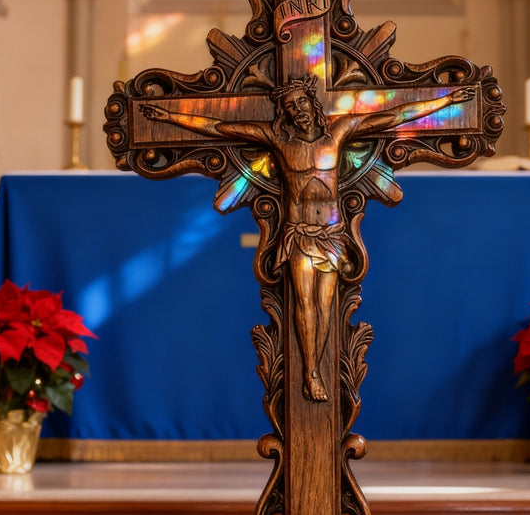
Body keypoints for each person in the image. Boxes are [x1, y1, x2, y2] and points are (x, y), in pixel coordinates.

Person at [139, 75, 474, 401]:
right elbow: (218, 127)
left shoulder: (339, 131)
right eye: (289, 106)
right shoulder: (279, 140)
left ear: (312, 104)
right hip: (298, 233)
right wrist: (170, 116)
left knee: (326, 304)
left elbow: (394, 116)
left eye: (300, 102)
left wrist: (444, 101)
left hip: (331, 232)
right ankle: (311, 369)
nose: (296, 109)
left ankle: (317, 363)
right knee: (304, 302)